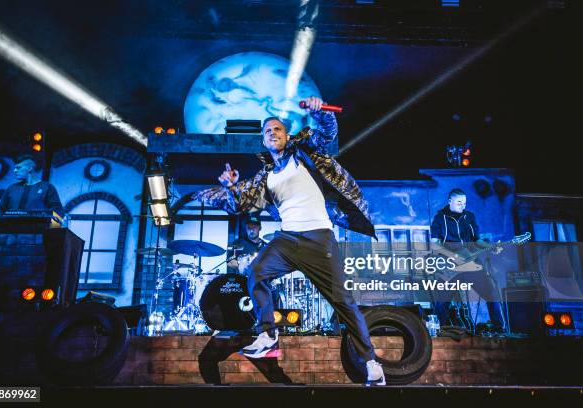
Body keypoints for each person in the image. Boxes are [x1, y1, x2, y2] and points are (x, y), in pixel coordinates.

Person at [195, 96, 385, 385]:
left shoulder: (304, 152)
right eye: (268, 131)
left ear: (287, 135)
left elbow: (327, 134)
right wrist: (232, 186)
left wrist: (320, 112)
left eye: (278, 130)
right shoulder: (265, 176)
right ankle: (268, 334)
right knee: (255, 272)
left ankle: (371, 363)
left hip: (319, 239)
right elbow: (241, 204)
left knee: (343, 302)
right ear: (264, 140)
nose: (273, 133)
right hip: (288, 239)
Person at [430, 188, 505, 332]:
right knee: (442, 301)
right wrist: (453, 257)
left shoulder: (469, 217)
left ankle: (499, 328)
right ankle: (440, 330)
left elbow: (476, 240)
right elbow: (435, 245)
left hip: (472, 262)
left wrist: (491, 247)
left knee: (491, 293)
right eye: (459, 202)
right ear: (450, 201)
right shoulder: (439, 218)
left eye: (464, 203)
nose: (462, 206)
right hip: (450, 264)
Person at [0, 154, 64, 216]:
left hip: (38, 229)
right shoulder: (12, 188)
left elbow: (57, 211)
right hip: (11, 229)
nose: (15, 170)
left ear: (30, 168)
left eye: (18, 168)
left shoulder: (47, 187)